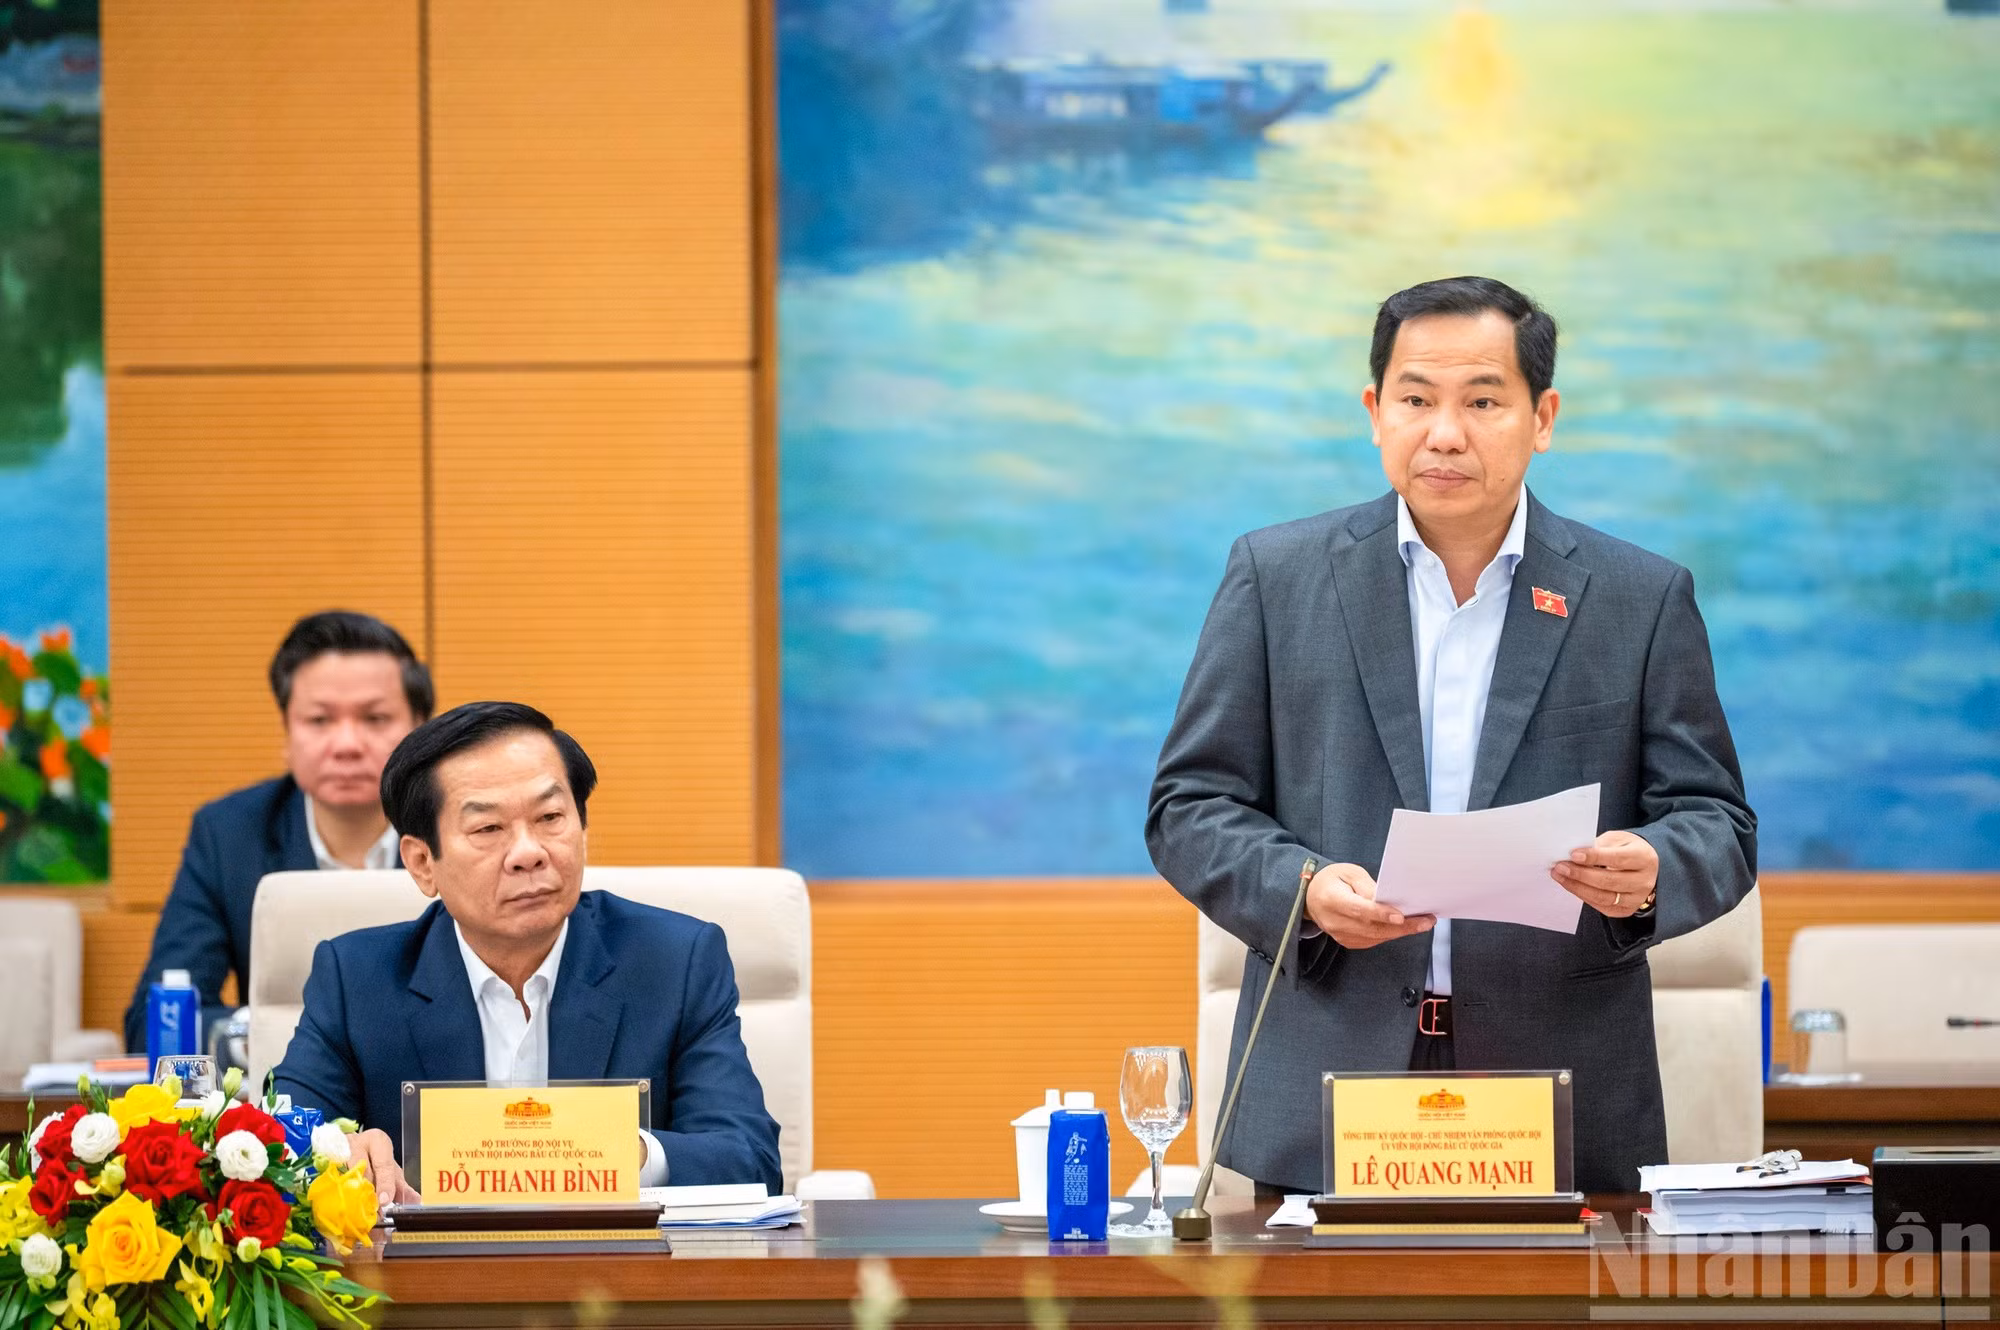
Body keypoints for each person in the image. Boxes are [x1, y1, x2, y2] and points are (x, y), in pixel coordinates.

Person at [1146, 276, 1756, 1195]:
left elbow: (1717, 820)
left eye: (1482, 401)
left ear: (1542, 416)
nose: (1444, 432)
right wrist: (1303, 889)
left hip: (1559, 1084)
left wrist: (1653, 868)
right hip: (1328, 1078)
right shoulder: (1276, 578)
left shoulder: (1639, 599)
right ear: (1374, 410)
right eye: (1416, 399)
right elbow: (1189, 805)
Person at [273, 701, 783, 1202]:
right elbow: (271, 1154)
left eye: (550, 817)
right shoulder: (357, 980)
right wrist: (340, 1152)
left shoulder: (675, 962)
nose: (528, 853)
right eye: (488, 829)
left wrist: (624, 1154)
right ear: (423, 862)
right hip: (428, 1283)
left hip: (618, 1279)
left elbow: (750, 1159)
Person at [123, 610, 433, 1053]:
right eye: (320, 720)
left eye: (376, 718)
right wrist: (263, 1036)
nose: (347, 744)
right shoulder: (230, 835)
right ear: (287, 732)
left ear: (420, 728)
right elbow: (156, 1023)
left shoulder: (461, 830)